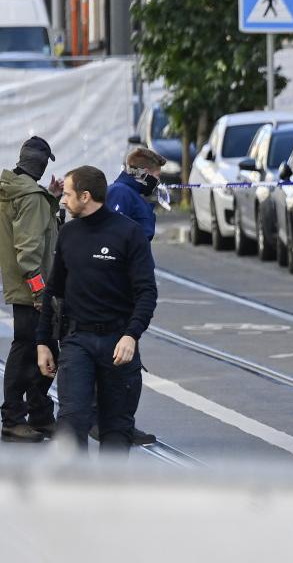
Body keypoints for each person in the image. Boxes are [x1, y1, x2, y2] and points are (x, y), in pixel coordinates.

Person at [35, 166, 157, 454]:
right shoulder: (68, 234)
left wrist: (132, 335)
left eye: (67, 194)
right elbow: (54, 291)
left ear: (85, 196)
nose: (62, 200)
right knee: (72, 421)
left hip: (118, 343)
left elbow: (147, 292)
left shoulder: (129, 233)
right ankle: (79, 494)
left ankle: (110, 496)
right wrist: (43, 342)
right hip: (77, 342)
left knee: (116, 429)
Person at [102, 146, 165, 446]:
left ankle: (120, 423)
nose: (157, 181)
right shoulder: (120, 194)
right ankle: (116, 424)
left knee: (127, 366)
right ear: (140, 173)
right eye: (154, 176)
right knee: (126, 366)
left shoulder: (132, 195)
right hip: (121, 291)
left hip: (127, 288)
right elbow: (114, 241)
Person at [0, 136, 61, 443]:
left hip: (18, 285)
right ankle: (14, 417)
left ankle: (39, 414)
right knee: (31, 350)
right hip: (33, 289)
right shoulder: (31, 197)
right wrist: (39, 293)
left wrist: (48, 199)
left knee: (41, 348)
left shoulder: (11, 189)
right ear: (41, 163)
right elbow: (29, 250)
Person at [107, 147, 165, 242]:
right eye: (157, 176)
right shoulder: (120, 193)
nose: (158, 182)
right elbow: (113, 237)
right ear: (145, 173)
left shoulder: (130, 194)